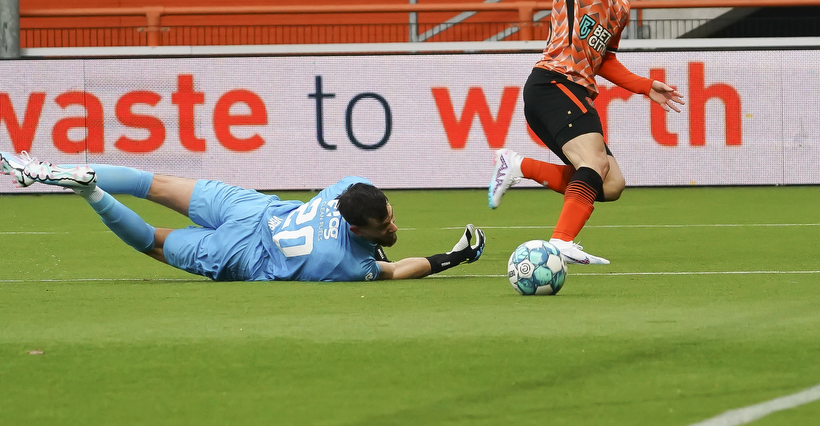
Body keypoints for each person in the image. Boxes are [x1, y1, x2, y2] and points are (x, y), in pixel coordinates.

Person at [487, 0, 684, 265]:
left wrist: (645, 86)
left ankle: (517, 164)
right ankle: (561, 240)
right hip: (553, 83)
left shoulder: (621, 5)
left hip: (573, 91)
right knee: (594, 162)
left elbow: (604, 61)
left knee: (611, 184)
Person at [1, 151, 485, 282]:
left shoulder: (348, 187)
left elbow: (372, 226)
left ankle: (50, 168)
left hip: (253, 209)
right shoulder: (348, 264)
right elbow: (398, 270)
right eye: (385, 226)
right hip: (243, 254)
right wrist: (455, 256)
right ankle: (90, 192)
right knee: (151, 241)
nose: (393, 227)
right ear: (357, 230)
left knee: (154, 184)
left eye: (391, 217)